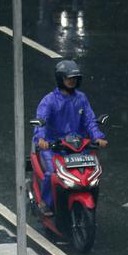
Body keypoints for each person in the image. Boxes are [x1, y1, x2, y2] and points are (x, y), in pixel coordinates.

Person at [33, 60, 107, 213]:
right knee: (52, 173)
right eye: (69, 78)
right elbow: (41, 121)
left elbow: (90, 121)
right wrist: (41, 139)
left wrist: (98, 137)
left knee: (92, 171)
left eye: (74, 78)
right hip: (54, 146)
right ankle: (46, 203)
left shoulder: (81, 98)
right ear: (61, 79)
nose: (72, 81)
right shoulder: (49, 100)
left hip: (77, 146)